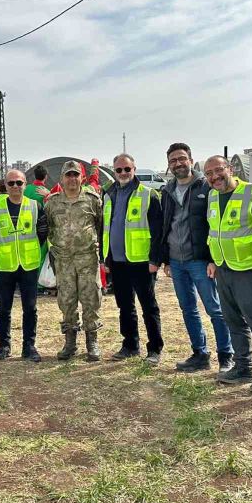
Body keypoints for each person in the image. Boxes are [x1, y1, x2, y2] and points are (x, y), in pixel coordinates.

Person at [203, 156, 252, 393]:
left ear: (231, 169)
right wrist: (213, 261)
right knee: (233, 321)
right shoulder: (212, 196)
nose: (214, 177)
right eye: (209, 173)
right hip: (223, 269)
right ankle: (243, 367)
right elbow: (215, 230)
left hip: (248, 270)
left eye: (218, 170)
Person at [159, 143, 233, 373]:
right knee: (188, 309)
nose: (178, 163)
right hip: (176, 260)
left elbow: (215, 224)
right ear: (169, 165)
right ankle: (200, 353)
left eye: (182, 159)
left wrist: (212, 258)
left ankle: (226, 354)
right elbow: (165, 225)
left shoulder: (206, 187)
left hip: (200, 260)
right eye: (173, 160)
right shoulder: (167, 191)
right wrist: (166, 259)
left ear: (191, 160)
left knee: (215, 308)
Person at [102, 153, 164, 365]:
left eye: (127, 169)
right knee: (124, 305)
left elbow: (158, 231)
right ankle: (130, 344)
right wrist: (106, 258)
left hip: (141, 262)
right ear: (114, 171)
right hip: (118, 262)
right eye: (119, 170)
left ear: (134, 170)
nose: (123, 173)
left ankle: (155, 348)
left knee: (148, 306)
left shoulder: (148, 194)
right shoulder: (108, 195)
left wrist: (155, 260)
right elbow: (106, 228)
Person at [45, 160, 103, 361]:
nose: (72, 179)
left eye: (75, 175)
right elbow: (48, 228)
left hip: (87, 259)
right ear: (61, 178)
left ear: (82, 177)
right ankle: (70, 342)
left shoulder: (93, 200)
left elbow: (100, 226)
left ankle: (92, 341)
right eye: (68, 175)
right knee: (67, 301)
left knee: (91, 299)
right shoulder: (52, 203)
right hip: (64, 261)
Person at [0, 169, 49, 363]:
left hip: (29, 264)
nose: (15, 186)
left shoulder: (35, 206)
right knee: (3, 309)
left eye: (19, 183)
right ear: (5, 186)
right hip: (6, 265)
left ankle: (29, 345)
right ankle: (4, 345)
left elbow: (42, 231)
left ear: (25, 184)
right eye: (11, 183)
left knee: (30, 308)